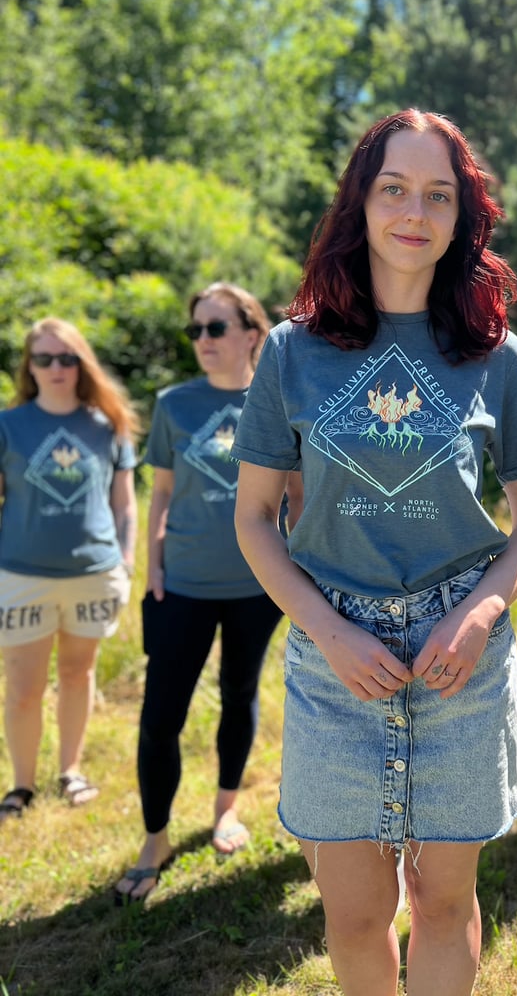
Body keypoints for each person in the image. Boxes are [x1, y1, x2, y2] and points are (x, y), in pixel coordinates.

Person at [231, 109, 517, 996]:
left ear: (462, 219)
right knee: (357, 913)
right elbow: (255, 519)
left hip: (463, 656)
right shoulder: (293, 352)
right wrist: (329, 633)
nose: (415, 212)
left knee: (444, 904)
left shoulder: (497, 355)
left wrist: (482, 613)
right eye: (395, 189)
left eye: (438, 195)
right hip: (334, 657)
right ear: (361, 203)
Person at [114, 282, 302, 905]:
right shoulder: (175, 405)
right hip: (185, 584)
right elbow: (160, 492)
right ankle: (156, 838)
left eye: (216, 328)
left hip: (258, 585)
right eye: (196, 330)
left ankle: (224, 810)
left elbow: (297, 495)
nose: (202, 341)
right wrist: (153, 569)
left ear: (253, 335)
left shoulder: (280, 399)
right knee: (160, 713)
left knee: (239, 693)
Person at [0, 317, 138, 821]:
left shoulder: (108, 426)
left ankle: (70, 770)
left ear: (81, 364)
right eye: (44, 358)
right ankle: (20, 786)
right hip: (21, 576)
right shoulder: (8, 426)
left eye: (66, 358)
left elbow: (125, 506)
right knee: (23, 689)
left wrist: (125, 563)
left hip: (93, 573)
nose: (56, 368)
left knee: (78, 675)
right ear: (29, 366)